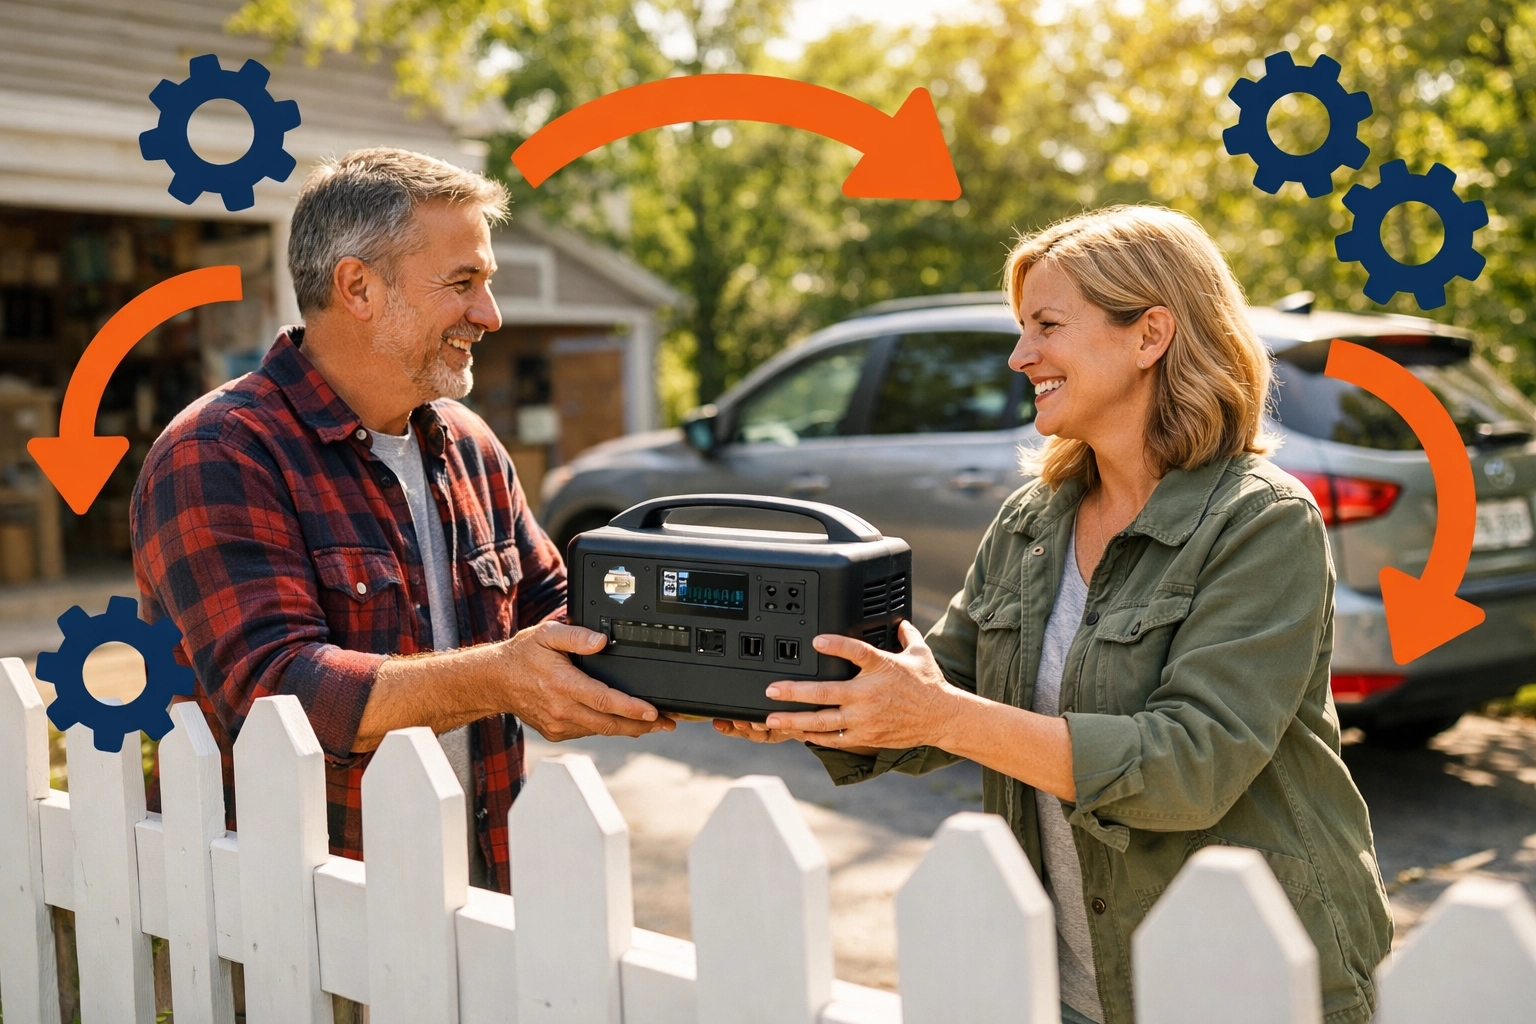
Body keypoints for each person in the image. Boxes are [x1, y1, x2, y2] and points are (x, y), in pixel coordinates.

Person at [714, 206, 1393, 1024]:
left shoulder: (1261, 523)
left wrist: (939, 713)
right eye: (1020, 327)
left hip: (1246, 981)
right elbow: (938, 689)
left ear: (1151, 336)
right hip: (1072, 985)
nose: (1019, 354)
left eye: (1047, 325)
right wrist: (810, 707)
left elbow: (1187, 767)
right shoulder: (1034, 521)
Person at [132, 148, 669, 894]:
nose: (490, 314)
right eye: (463, 284)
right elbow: (277, 695)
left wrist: (724, 670)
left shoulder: (469, 443)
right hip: (306, 924)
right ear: (357, 287)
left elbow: (562, 610)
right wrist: (503, 678)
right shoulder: (219, 454)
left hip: (476, 895)